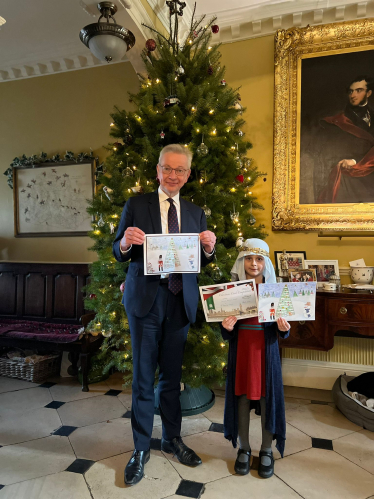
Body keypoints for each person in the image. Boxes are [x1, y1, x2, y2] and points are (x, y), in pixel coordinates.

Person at [113, 144, 216, 486]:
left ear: (188, 175)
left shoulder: (195, 212)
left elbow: (201, 261)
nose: (173, 175)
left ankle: (173, 439)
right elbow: (117, 251)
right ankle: (140, 448)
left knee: (172, 378)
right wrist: (126, 242)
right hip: (146, 300)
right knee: (143, 379)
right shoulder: (136, 205)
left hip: (179, 302)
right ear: (157, 171)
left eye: (180, 170)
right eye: (167, 169)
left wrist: (209, 248)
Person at [220, 239, 290, 478]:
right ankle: (244, 449)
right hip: (241, 352)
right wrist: (226, 327)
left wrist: (283, 328)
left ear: (266, 263)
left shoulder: (275, 292)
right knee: (240, 398)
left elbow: (284, 328)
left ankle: (267, 449)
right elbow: (225, 328)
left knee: (266, 399)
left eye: (259, 259)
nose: (253, 263)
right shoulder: (233, 292)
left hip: (265, 353)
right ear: (242, 261)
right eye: (248, 258)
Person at [318, 75, 374, 203]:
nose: (353, 95)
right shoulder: (339, 122)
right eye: (350, 91)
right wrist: (355, 161)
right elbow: (339, 152)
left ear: (369, 93)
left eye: (358, 90)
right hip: (353, 176)